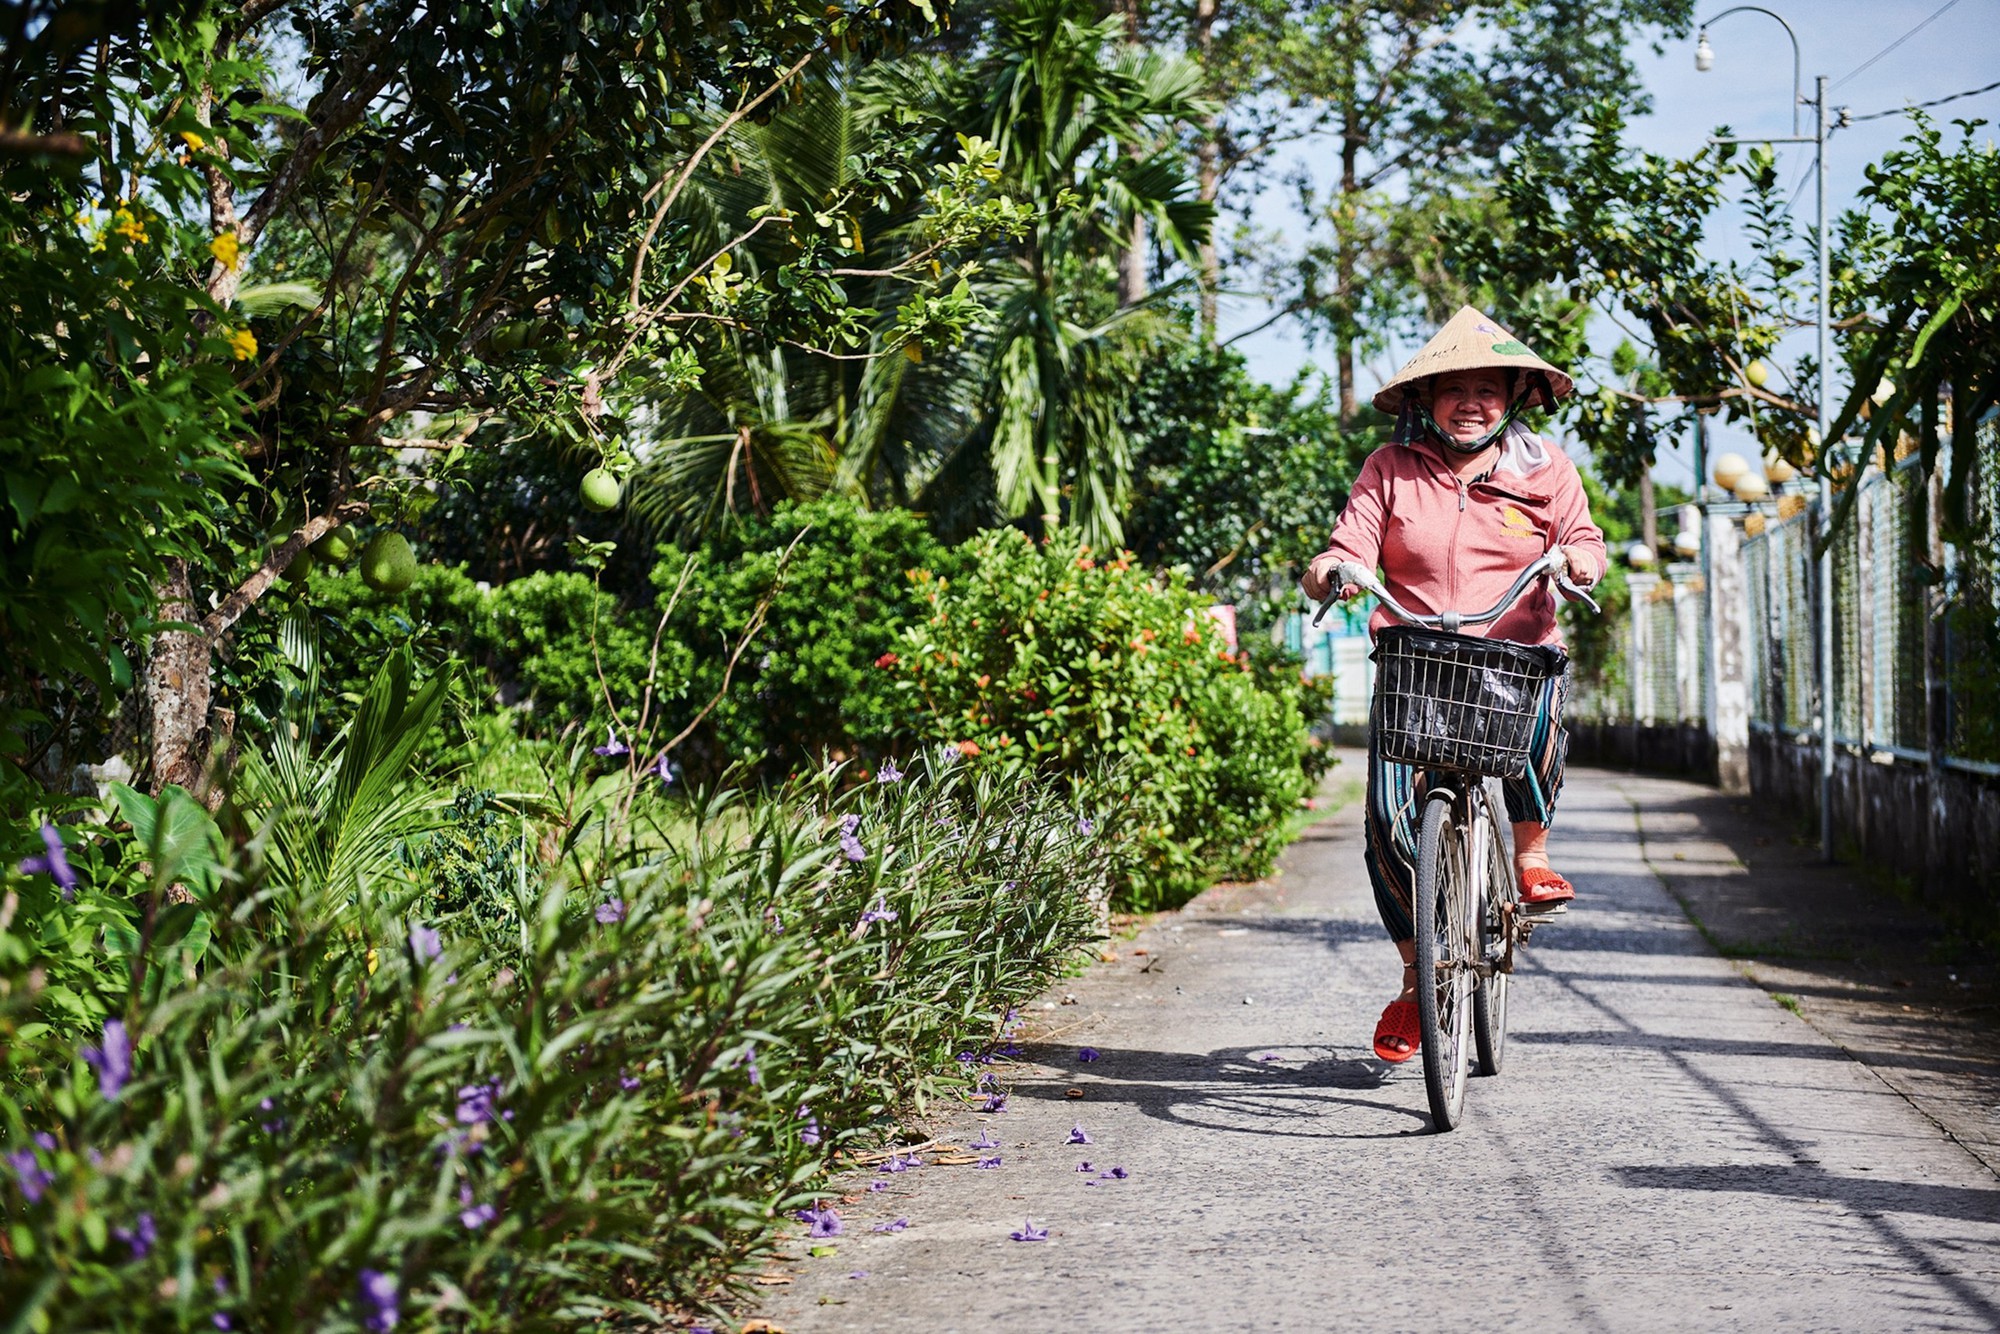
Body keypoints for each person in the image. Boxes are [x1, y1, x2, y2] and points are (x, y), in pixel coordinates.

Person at [1300, 306, 1607, 1064]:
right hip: (1417, 661)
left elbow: (1585, 539)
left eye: (1487, 388)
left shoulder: (1547, 469)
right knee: (1385, 821)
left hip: (1511, 657)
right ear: (1425, 401)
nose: (1471, 402)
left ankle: (1530, 855)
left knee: (1543, 710)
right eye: (1452, 388)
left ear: (1513, 395)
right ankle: (1416, 976)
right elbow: (1345, 546)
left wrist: (1575, 563)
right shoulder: (1390, 469)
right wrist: (1335, 573)